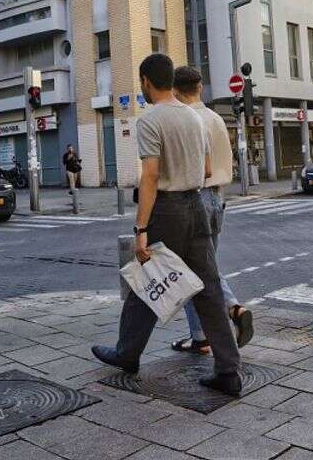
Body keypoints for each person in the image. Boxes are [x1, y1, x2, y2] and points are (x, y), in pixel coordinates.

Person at [92, 53, 242, 396]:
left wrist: (140, 229)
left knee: (146, 280)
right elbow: (206, 170)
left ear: (146, 81)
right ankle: (228, 370)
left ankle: (127, 354)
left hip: (167, 210)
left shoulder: (150, 120)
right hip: (197, 207)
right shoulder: (194, 117)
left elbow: (150, 175)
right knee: (210, 289)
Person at [170, 66, 253, 355]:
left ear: (175, 91)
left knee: (196, 269)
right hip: (218, 199)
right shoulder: (217, 119)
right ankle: (200, 335)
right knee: (201, 267)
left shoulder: (187, 120)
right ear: (200, 87)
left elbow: (189, 169)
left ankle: (232, 309)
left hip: (195, 198)